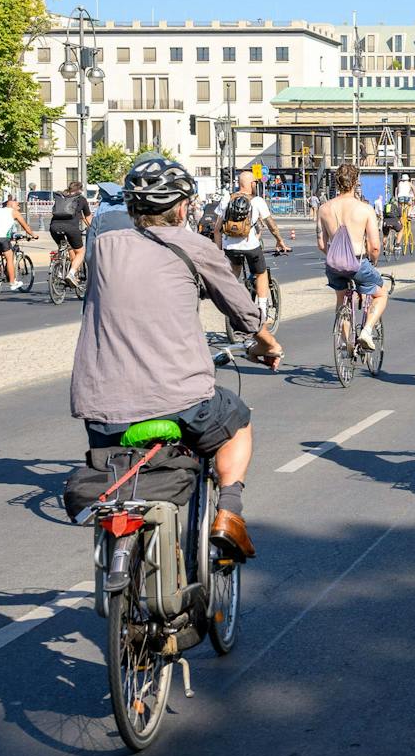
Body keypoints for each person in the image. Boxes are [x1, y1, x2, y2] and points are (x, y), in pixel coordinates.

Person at [72, 157, 281, 559]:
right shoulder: (195, 247)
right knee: (238, 422)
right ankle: (229, 514)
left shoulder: (101, 248)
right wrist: (267, 344)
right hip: (181, 399)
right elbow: (243, 312)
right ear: (183, 207)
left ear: (132, 206)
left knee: (117, 472)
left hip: (99, 403)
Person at [317, 164, 389, 351]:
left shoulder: (324, 209)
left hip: (333, 265)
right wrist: (373, 261)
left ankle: (345, 341)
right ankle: (366, 331)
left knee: (341, 300)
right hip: (357, 263)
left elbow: (321, 244)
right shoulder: (365, 209)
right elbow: (374, 246)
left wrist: (336, 255)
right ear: (356, 182)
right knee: (381, 293)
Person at [217, 173, 289, 318]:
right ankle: (262, 309)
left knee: (234, 273)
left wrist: (218, 251)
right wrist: (279, 241)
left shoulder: (227, 198)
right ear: (251, 184)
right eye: (255, 182)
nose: (256, 185)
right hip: (251, 247)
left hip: (230, 247)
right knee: (261, 273)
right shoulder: (257, 201)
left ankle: (230, 303)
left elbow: (217, 228)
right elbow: (271, 225)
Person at [0, 192, 38, 292]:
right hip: (2, 237)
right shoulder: (14, 212)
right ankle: (13, 282)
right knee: (10, 257)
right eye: (17, 205)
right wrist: (33, 235)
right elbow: (25, 226)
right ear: (11, 205)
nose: (18, 206)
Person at [48, 180, 92, 283]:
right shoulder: (81, 199)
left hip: (54, 227)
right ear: (80, 190)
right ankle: (71, 274)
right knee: (80, 252)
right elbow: (88, 217)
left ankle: (59, 269)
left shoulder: (60, 197)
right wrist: (92, 228)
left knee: (64, 247)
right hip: (71, 228)